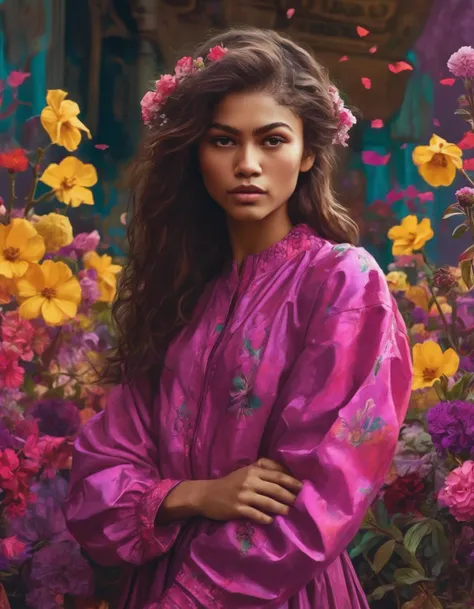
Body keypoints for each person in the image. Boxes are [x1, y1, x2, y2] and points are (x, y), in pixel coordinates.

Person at [64, 27, 413, 609]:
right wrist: (195, 495)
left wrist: (190, 598)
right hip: (154, 580)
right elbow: (98, 478)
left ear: (307, 153)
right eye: (223, 141)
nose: (247, 164)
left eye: (272, 140)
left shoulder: (342, 283)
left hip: (273, 589)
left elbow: (319, 489)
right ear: (196, 155)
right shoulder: (178, 294)